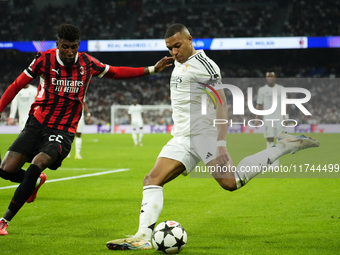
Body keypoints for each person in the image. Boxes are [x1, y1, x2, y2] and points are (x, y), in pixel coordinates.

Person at [106, 23, 319, 250]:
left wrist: (220, 143)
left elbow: (222, 105)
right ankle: (141, 238)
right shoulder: (178, 63)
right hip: (181, 136)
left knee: (231, 182)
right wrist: (154, 69)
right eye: (170, 48)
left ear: (190, 40)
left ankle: (286, 145)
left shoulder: (206, 67)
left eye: (177, 46)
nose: (174, 52)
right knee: (151, 180)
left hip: (204, 135)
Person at [0, 23, 173, 236]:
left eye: (74, 47)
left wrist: (152, 69)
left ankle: (4, 220)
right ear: (58, 45)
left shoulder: (87, 64)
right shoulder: (43, 60)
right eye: (65, 47)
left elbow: (117, 72)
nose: (70, 52)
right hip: (36, 124)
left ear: (78, 45)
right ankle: (34, 182)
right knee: (6, 170)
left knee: (37, 164)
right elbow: (16, 85)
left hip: (62, 130)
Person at [255, 71, 285, 167]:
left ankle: (276, 159)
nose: (270, 78)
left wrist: (285, 117)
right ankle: (272, 162)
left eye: (272, 76)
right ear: (266, 78)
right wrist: (256, 119)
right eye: (268, 76)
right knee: (270, 139)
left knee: (280, 140)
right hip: (268, 118)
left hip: (280, 118)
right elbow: (259, 104)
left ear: (275, 78)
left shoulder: (281, 89)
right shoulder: (262, 90)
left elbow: (285, 104)